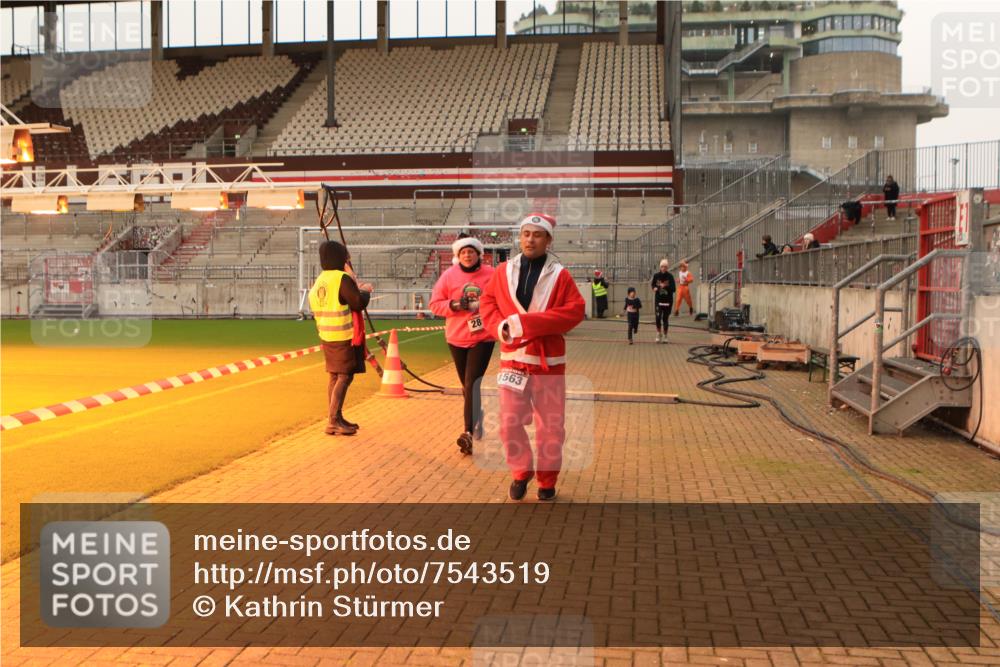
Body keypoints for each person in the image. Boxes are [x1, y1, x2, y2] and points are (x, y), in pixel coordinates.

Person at [479, 213, 586, 502]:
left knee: (551, 427)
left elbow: (575, 311)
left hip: (547, 363)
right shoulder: (503, 271)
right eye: (526, 233)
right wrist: (500, 326)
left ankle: (547, 479)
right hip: (513, 360)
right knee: (508, 422)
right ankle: (520, 470)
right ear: (519, 237)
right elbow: (487, 302)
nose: (530, 239)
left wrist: (527, 324)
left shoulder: (560, 275)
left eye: (537, 234)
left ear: (548, 239)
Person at [429, 234, 496, 455]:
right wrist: (456, 304)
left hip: (482, 337)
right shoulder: (449, 276)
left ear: (479, 254)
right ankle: (478, 416)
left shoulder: (491, 274)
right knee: (467, 387)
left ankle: (467, 433)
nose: (468, 255)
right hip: (456, 337)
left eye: (471, 251)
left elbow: (500, 299)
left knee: (471, 384)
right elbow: (435, 305)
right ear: (458, 256)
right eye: (463, 252)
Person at [308, 241, 372, 436]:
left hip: (327, 335)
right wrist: (365, 291)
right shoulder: (341, 278)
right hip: (343, 335)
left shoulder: (320, 280)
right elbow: (357, 302)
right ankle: (333, 420)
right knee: (344, 376)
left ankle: (336, 416)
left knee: (335, 376)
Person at [650, 259, 675, 343]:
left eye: (665, 266)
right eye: (662, 266)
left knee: (665, 319)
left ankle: (665, 335)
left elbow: (674, 289)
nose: (663, 268)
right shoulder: (656, 275)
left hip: (668, 301)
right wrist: (654, 288)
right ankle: (658, 333)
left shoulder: (670, 276)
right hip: (658, 300)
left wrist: (665, 286)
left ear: (667, 267)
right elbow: (653, 284)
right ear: (660, 267)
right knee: (657, 317)